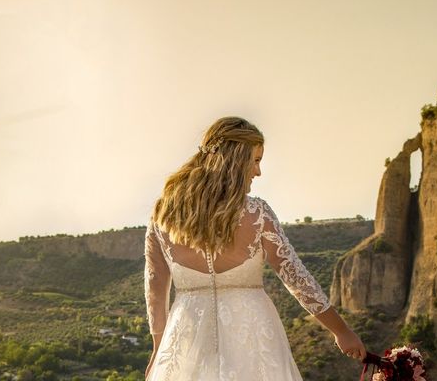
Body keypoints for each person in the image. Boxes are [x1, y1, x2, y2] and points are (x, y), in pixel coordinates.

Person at [144, 116, 366, 380]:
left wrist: (158, 348)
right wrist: (341, 331)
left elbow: (156, 284)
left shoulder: (163, 214)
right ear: (236, 161)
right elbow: (295, 277)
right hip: (253, 335)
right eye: (256, 160)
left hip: (185, 339)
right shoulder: (257, 213)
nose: (258, 172)